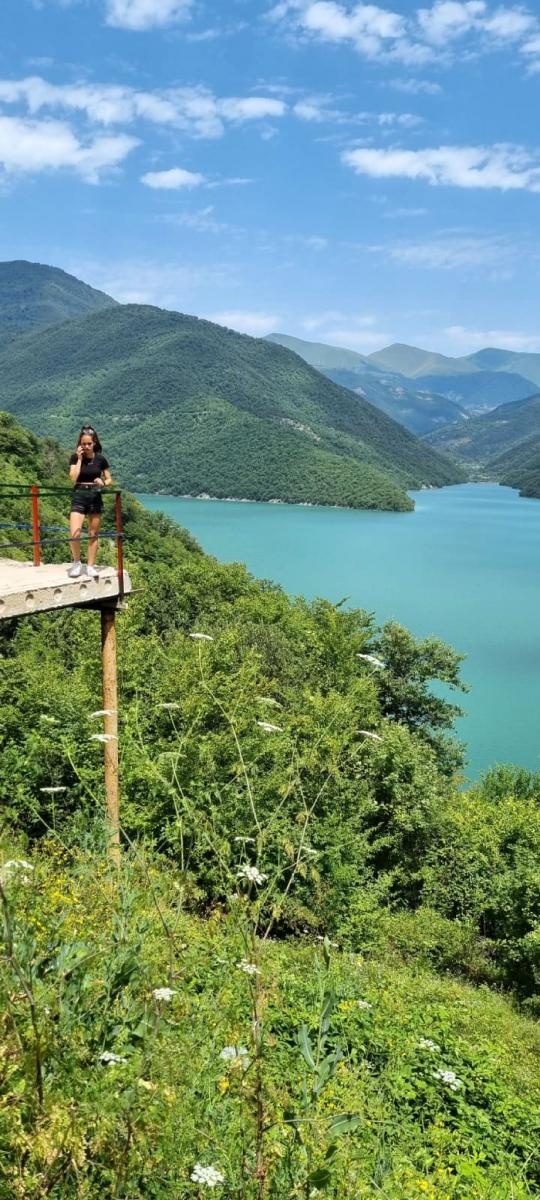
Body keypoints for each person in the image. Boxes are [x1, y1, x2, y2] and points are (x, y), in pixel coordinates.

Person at [68, 426, 112, 579]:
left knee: (93, 534)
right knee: (75, 533)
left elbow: (109, 479)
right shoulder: (75, 457)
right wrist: (79, 459)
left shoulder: (101, 459)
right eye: (83, 444)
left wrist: (103, 482)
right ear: (80, 444)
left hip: (95, 496)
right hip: (79, 495)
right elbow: (73, 478)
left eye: (89, 444)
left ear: (94, 443)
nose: (86, 447)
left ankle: (91, 566)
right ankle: (77, 563)